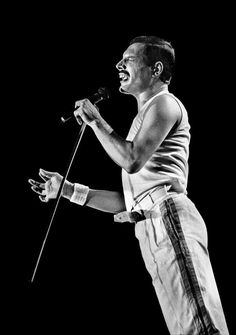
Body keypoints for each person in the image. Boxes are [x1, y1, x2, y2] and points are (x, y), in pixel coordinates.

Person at [28, 36, 229, 334]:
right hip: (150, 227)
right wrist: (68, 190)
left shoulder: (165, 104)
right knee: (184, 328)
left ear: (156, 69)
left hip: (168, 218)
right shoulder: (142, 120)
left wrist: (98, 122)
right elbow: (129, 201)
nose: (118, 65)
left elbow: (132, 159)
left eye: (129, 59)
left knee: (198, 326)